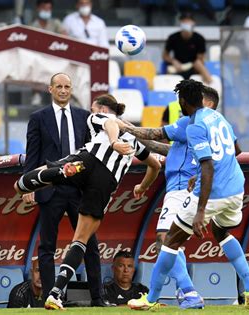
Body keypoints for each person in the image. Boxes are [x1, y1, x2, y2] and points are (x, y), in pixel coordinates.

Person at [14, 93, 161, 310]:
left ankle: (50, 175)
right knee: (80, 240)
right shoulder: (134, 140)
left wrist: (112, 142)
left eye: (94, 109)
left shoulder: (97, 118)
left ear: (100, 109)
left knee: (23, 184)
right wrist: (143, 186)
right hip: (105, 181)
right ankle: (55, 293)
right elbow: (155, 166)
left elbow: (109, 122)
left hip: (88, 161)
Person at [127, 80, 249, 311]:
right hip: (236, 188)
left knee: (170, 241)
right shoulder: (218, 117)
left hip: (212, 192)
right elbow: (236, 150)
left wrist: (200, 211)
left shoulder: (194, 126)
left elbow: (207, 166)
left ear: (182, 101)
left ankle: (150, 300)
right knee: (222, 232)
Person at [117, 86, 220, 309]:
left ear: (208, 103)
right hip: (185, 187)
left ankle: (186, 292)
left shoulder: (192, 122)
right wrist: (132, 134)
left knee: (165, 240)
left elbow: (155, 134)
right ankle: (183, 292)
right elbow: (167, 148)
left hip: (181, 187)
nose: (183, 104)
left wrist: (123, 126)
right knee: (172, 243)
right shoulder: (212, 125)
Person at [22, 73, 106, 307]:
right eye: (58, 86)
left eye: (67, 86)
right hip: (50, 189)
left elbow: (92, 153)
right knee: (47, 246)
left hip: (78, 190)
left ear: (71, 89)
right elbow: (33, 154)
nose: (63, 90)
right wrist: (30, 183)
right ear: (50, 89)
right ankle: (51, 298)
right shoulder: (38, 118)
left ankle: (98, 298)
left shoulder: (84, 117)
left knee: (89, 243)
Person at [162, 12, 212, 84]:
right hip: (177, 67)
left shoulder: (199, 38)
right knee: (168, 70)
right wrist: (174, 61)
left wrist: (193, 65)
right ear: (180, 23)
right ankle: (167, 92)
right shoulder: (173, 37)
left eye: (188, 21)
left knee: (198, 64)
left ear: (193, 23)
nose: (186, 23)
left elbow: (201, 59)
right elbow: (165, 55)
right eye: (184, 21)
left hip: (193, 67)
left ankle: (210, 84)